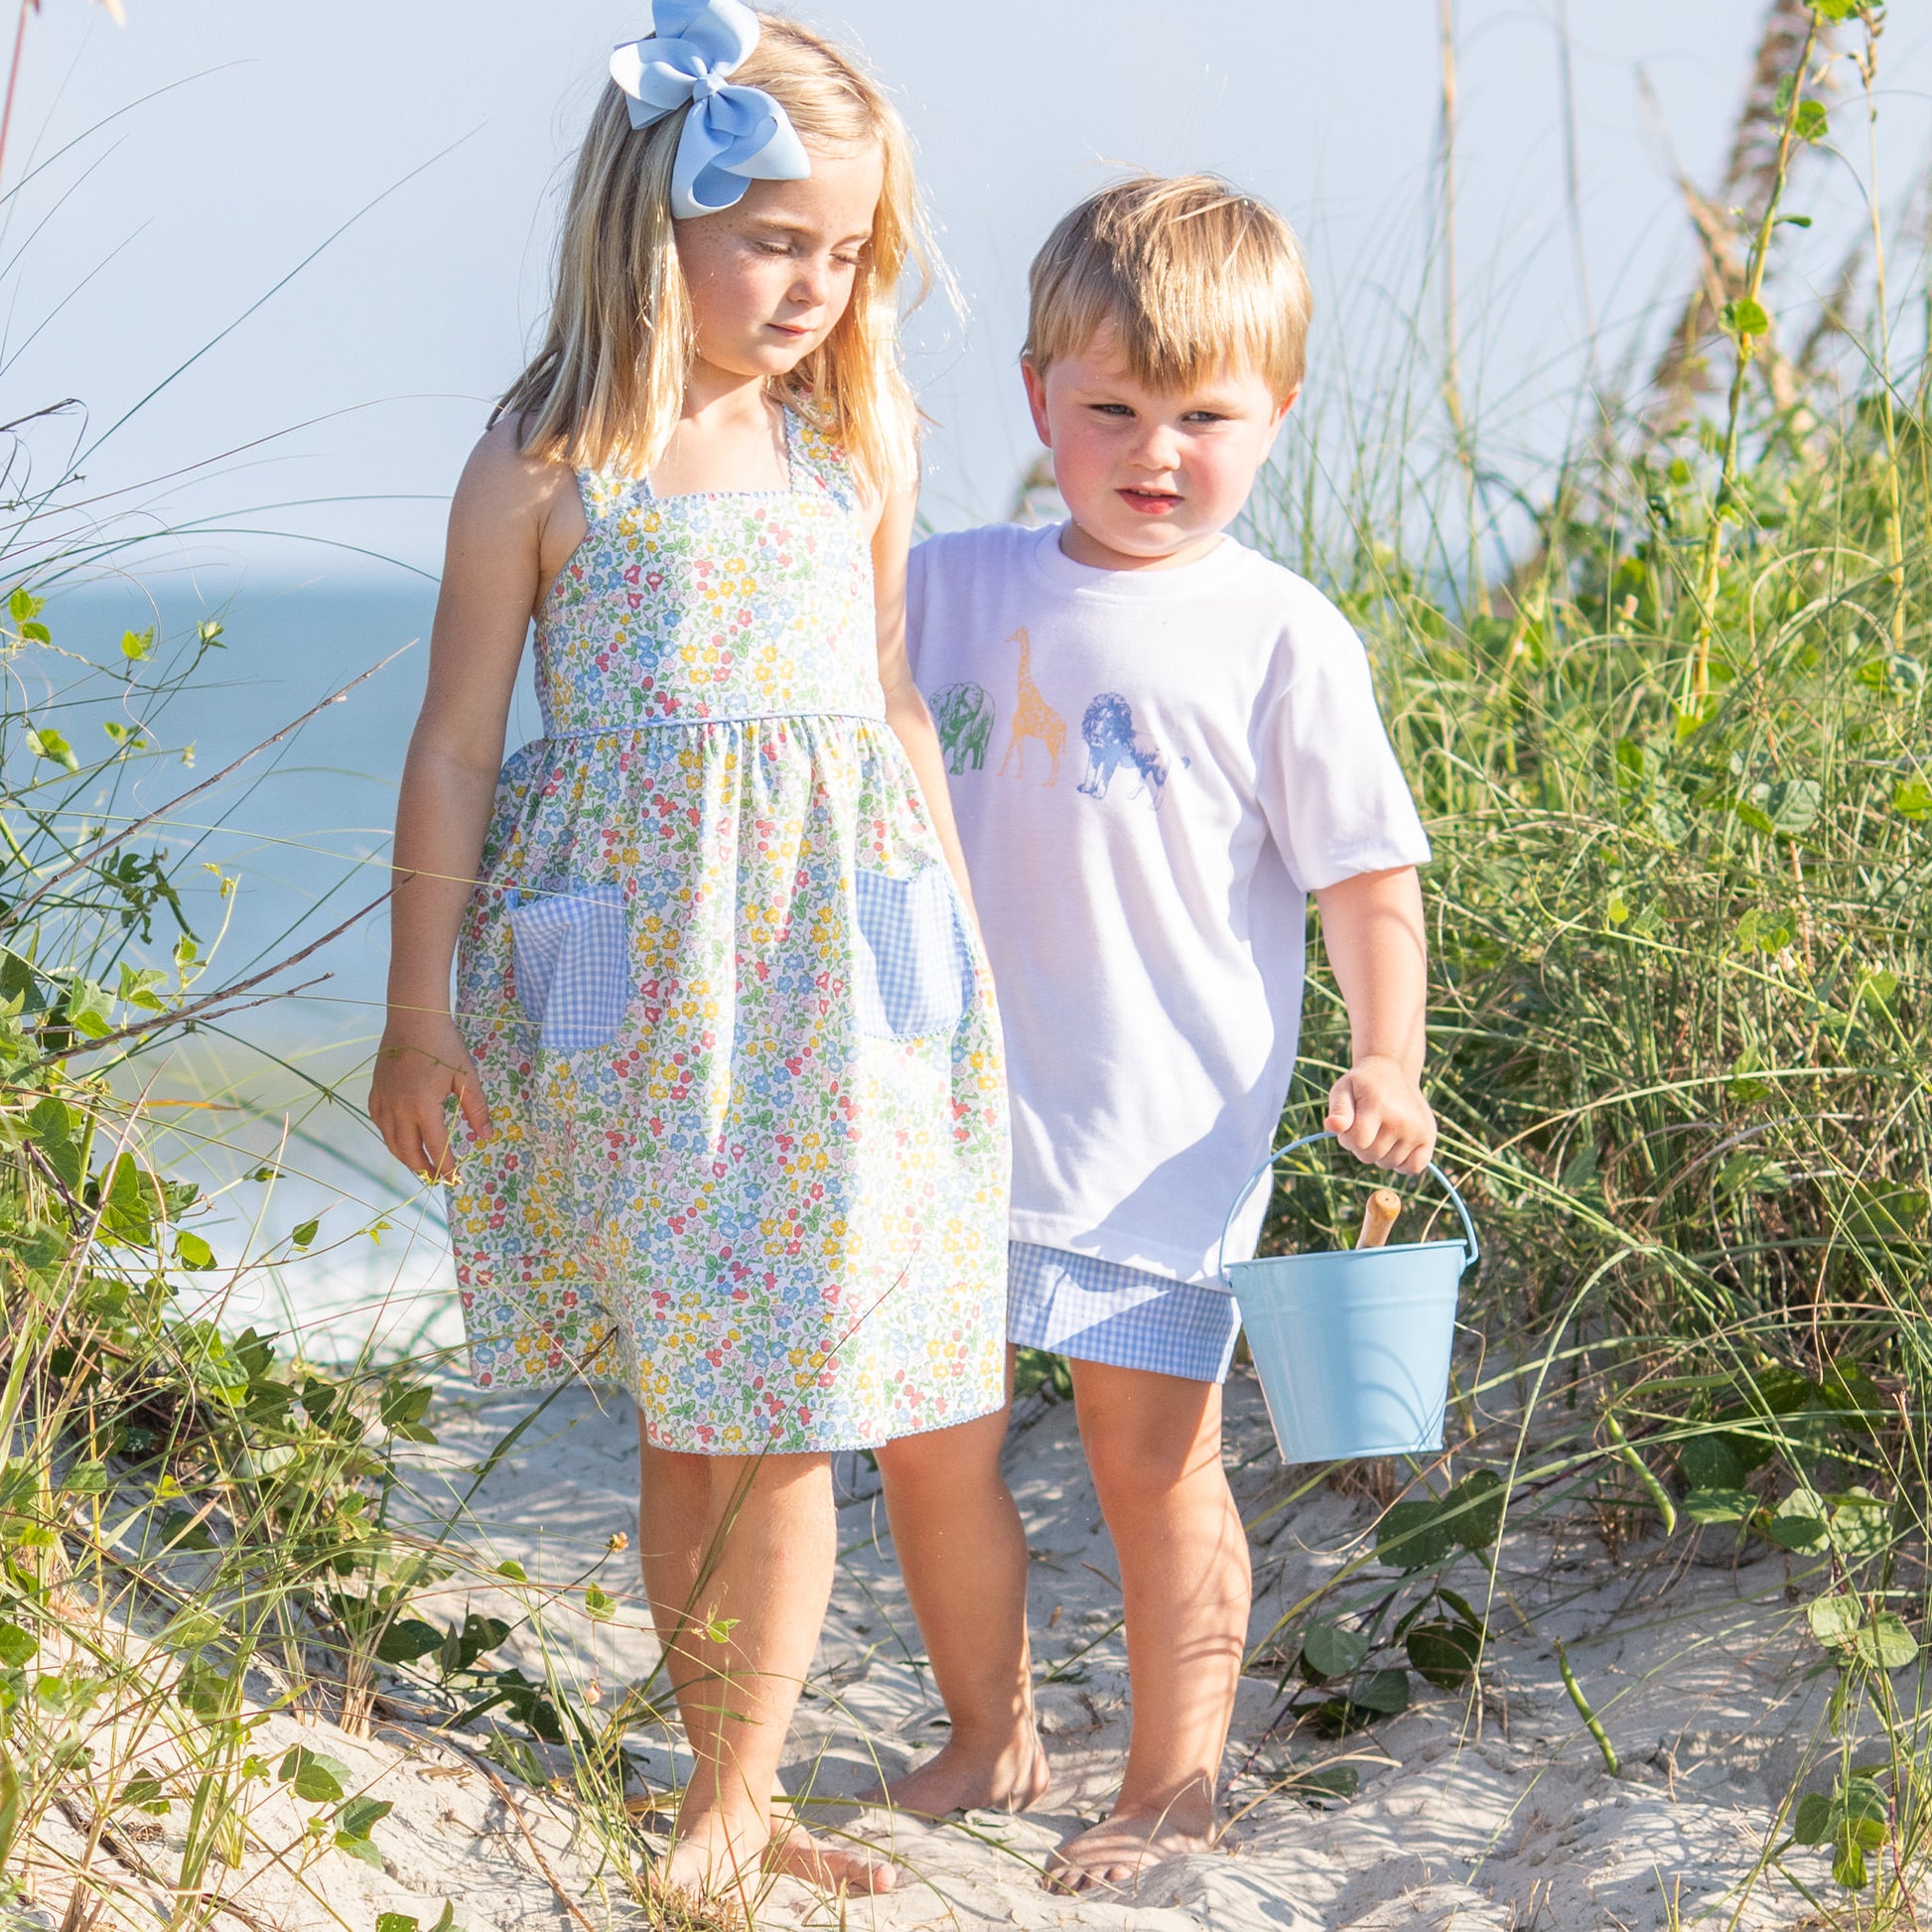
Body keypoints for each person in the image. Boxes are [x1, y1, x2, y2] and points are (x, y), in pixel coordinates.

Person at [367, 3, 1008, 1902]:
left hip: (838, 973)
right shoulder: (553, 455)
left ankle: (743, 1789)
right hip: (641, 986)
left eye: (843, 248)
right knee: (698, 1394)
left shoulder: (853, 436)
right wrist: (418, 1013)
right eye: (773, 238)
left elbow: (892, 704)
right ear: (655, 216)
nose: (812, 283)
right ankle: (724, 1783)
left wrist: (955, 959)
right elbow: (458, 738)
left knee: (795, 1386)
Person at [875, 174, 1436, 1891]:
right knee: (926, 1441)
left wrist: (1385, 1055)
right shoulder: (943, 583)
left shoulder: (1279, 635)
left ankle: (1173, 1776)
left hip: (1157, 1128)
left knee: (1153, 1456)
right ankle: (989, 1730)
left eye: (1203, 412)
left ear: (1274, 408)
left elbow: (1367, 878)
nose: (1153, 449)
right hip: (941, 1111)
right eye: (1107, 407)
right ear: (1037, 394)